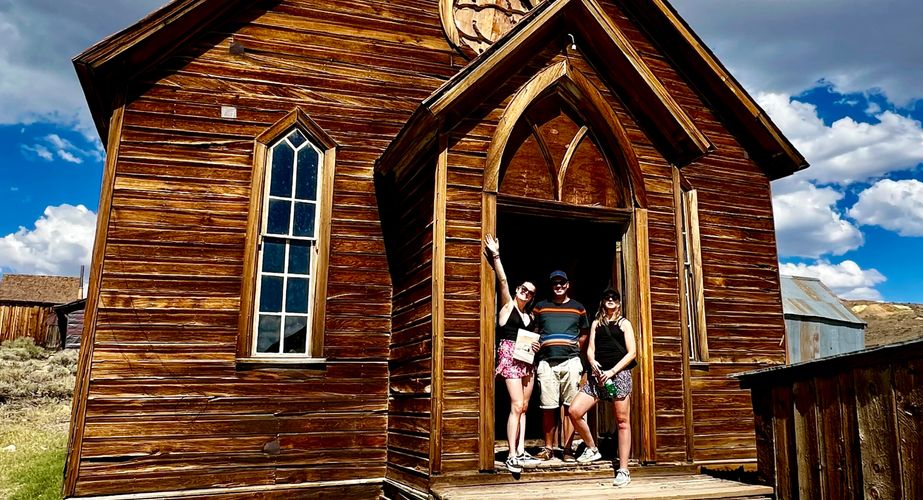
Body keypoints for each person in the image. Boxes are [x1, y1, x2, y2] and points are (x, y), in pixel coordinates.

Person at [567, 288, 637, 487]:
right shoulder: (597, 323)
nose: (611, 300)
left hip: (619, 375)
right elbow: (590, 350)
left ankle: (623, 470)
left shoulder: (624, 324)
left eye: (614, 298)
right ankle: (592, 448)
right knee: (574, 410)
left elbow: (632, 353)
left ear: (619, 302)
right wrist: (593, 363)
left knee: (622, 421)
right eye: (607, 297)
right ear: (603, 301)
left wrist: (613, 371)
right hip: (598, 376)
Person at [485, 234, 538, 474]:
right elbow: (503, 282)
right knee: (516, 404)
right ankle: (511, 454)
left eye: (530, 292)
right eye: (524, 289)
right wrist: (496, 254)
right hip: (509, 357)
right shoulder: (508, 307)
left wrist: (537, 347)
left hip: (527, 360)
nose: (526, 293)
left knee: (525, 406)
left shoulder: (531, 317)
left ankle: (521, 448)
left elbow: (533, 339)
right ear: (518, 290)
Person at [532, 270, 589, 462]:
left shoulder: (578, 308)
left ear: (567, 285)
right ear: (551, 285)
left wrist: (578, 346)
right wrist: (535, 343)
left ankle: (567, 450)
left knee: (570, 407)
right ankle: (548, 448)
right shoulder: (540, 307)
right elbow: (534, 331)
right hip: (547, 362)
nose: (558, 286)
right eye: (555, 283)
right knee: (548, 407)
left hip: (571, 362)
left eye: (561, 283)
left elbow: (584, 332)